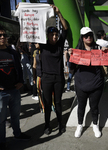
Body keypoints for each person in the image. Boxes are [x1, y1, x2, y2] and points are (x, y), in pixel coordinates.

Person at [0, 25, 30, 150]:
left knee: (15, 116)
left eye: (4, 35)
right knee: (0, 120)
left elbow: (19, 69)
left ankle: (17, 134)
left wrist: (21, 81)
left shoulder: (12, 52)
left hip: (14, 90)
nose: (3, 37)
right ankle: (1, 141)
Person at [69, 27, 108, 138]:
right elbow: (71, 67)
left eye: (90, 35)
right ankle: (80, 125)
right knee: (81, 106)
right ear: (82, 38)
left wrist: (105, 52)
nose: (89, 37)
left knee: (94, 106)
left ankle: (95, 125)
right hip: (81, 84)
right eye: (86, 36)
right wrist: (70, 56)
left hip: (96, 84)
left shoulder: (99, 48)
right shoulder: (77, 50)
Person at [35, 5, 68, 135]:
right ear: (47, 35)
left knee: (58, 102)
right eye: (52, 34)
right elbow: (32, 30)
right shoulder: (42, 45)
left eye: (56, 34)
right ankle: (47, 125)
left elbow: (65, 29)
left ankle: (61, 124)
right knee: (47, 104)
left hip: (59, 78)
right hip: (46, 78)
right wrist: (22, 11)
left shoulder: (60, 44)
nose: (54, 37)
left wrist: (59, 14)